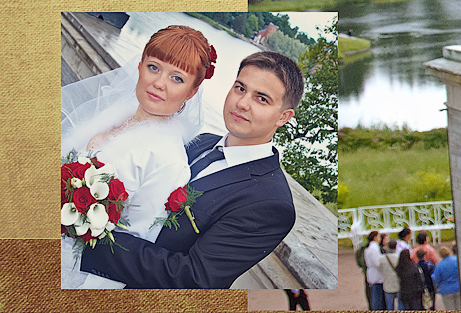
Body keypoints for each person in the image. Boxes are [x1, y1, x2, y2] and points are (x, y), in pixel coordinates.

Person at [80, 50, 303, 288]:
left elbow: (194, 277)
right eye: (240, 88)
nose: (242, 103)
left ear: (283, 117)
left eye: (261, 99)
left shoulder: (271, 204)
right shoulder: (202, 141)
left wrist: (91, 236)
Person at [61, 25, 216, 289]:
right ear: (140, 65)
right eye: (154, 67)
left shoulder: (168, 161)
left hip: (73, 270)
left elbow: (131, 247)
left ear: (191, 91)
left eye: (177, 78)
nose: (159, 83)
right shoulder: (115, 116)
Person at [431, 244, 461, 310]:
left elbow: (436, 279)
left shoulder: (439, 265)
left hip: (446, 290)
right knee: (460, 307)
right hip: (458, 287)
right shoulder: (456, 260)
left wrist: (437, 286)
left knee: (450, 308)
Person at [364, 230, 385, 310]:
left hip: (373, 273)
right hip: (376, 274)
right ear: (375, 237)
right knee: (377, 297)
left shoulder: (370, 247)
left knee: (376, 295)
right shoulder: (374, 248)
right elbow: (377, 262)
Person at [380, 239, 402, 310]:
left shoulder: (382, 258)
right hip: (398, 284)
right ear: (396, 247)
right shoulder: (399, 257)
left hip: (388, 285)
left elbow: (380, 269)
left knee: (390, 306)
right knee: (400, 305)